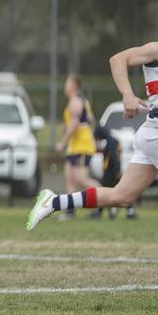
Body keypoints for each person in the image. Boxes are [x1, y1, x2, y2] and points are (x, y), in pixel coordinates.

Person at [26, 3, 158, 268]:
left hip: (154, 134)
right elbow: (118, 59)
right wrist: (127, 94)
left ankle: (53, 201)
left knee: (121, 196)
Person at [55, 74, 101, 221]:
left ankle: (103, 201)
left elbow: (75, 124)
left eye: (67, 83)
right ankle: (70, 211)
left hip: (81, 146)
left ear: (74, 86)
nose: (65, 86)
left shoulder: (76, 101)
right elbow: (90, 120)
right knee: (70, 178)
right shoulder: (80, 101)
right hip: (76, 146)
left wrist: (62, 142)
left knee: (82, 178)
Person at [90, 125, 137, 219]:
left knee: (108, 192)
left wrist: (117, 170)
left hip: (111, 172)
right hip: (112, 171)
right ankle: (111, 211)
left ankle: (127, 211)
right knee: (114, 191)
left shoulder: (111, 141)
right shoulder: (112, 140)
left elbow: (114, 157)